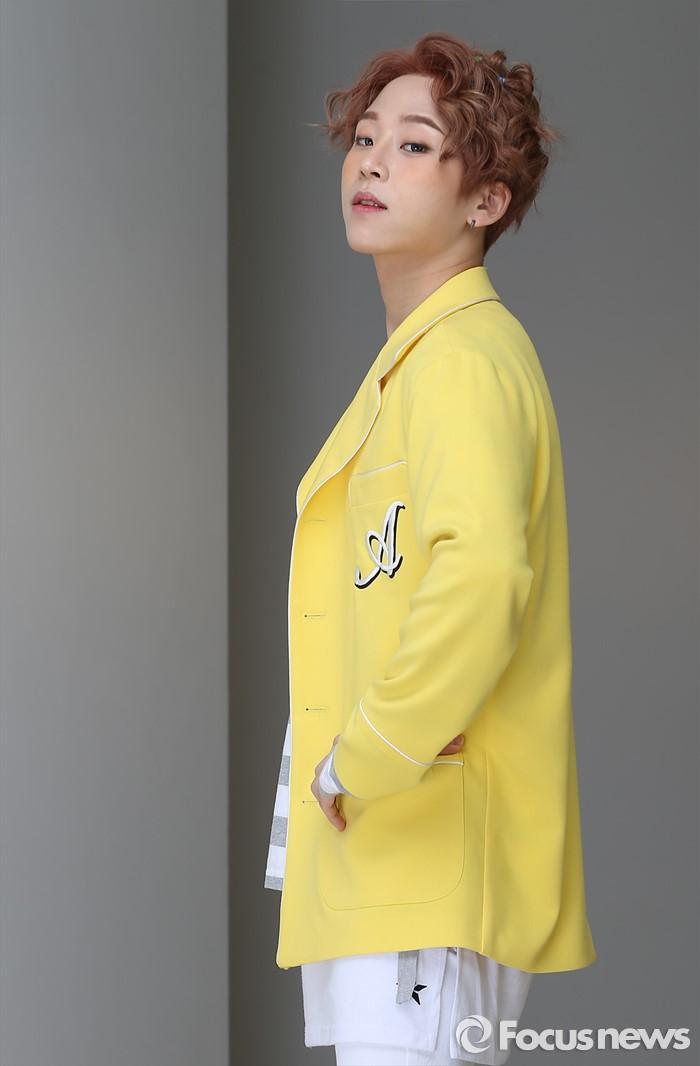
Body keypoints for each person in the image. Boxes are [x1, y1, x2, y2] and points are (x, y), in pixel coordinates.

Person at [264, 30, 597, 1066]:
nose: (370, 162)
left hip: (425, 858)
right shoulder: (419, 364)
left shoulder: (462, 358)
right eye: (365, 138)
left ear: (485, 198)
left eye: (414, 145)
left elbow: (484, 577)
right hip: (391, 866)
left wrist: (363, 758)